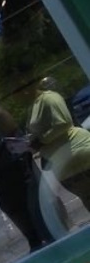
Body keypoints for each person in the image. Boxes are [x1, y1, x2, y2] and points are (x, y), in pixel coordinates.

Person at [0, 85, 59, 251]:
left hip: (16, 163)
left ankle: (46, 234)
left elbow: (15, 134)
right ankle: (34, 239)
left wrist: (21, 156)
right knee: (10, 205)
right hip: (0, 168)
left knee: (32, 201)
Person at [28, 77, 90, 211]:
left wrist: (41, 140)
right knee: (86, 198)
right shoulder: (36, 105)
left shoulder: (49, 98)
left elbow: (63, 123)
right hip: (64, 162)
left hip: (76, 153)